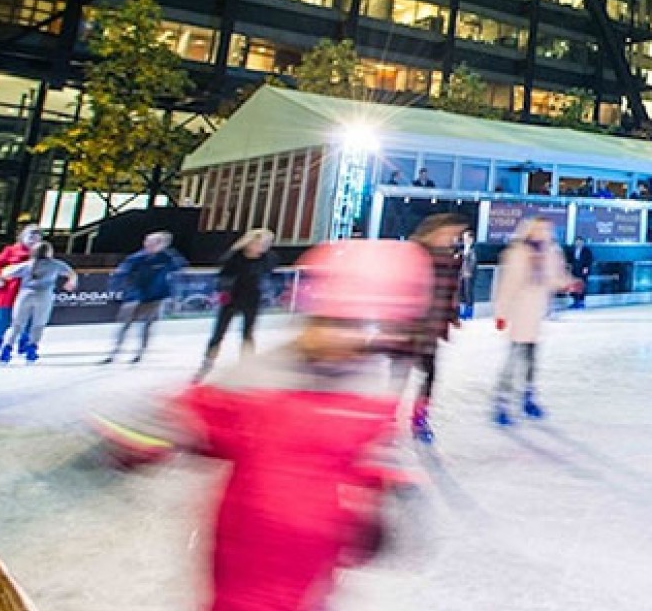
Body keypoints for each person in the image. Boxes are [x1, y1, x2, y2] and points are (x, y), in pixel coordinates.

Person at [94, 238, 434, 611]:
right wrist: (144, 440)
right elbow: (192, 416)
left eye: (370, 332)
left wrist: (383, 498)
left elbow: (372, 455)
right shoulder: (261, 382)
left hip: (315, 560)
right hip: (248, 557)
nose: (350, 339)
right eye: (337, 323)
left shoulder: (368, 394)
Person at [398, 213, 471, 443]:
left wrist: (452, 315)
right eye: (450, 233)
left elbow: (450, 292)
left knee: (429, 375)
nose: (453, 238)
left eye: (456, 234)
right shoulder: (415, 254)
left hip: (432, 326)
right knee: (399, 375)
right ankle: (387, 414)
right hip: (409, 326)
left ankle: (419, 417)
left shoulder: (451, 258)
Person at [491, 219, 572, 424]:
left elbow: (554, 278)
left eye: (547, 230)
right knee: (513, 358)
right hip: (519, 312)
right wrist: (501, 313)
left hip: (536, 313)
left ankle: (527, 398)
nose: (544, 233)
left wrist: (568, 283)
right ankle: (502, 401)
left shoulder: (551, 253)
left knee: (531, 358)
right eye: (540, 229)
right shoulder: (517, 253)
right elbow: (507, 284)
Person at [198, 229, 277, 381]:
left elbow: (269, 274)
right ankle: (207, 362)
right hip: (231, 299)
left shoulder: (268, 258)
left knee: (247, 334)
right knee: (219, 333)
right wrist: (223, 291)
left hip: (252, 300)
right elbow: (223, 276)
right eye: (260, 243)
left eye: (266, 244)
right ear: (250, 242)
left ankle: (246, 366)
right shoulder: (235, 257)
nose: (262, 247)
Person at [104, 231, 185, 365]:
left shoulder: (166, 257)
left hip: (155, 297)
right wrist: (116, 289)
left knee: (147, 326)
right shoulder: (136, 258)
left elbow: (179, 266)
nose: (148, 244)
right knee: (125, 325)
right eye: (147, 241)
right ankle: (114, 353)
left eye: (153, 242)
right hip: (135, 297)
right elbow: (121, 272)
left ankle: (140, 353)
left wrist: (167, 252)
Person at [5, 240, 76, 364]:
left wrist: (7, 273)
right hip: (44, 296)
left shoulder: (27, 265)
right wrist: (70, 283)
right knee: (38, 324)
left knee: (17, 324)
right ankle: (32, 350)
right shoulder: (55, 264)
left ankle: (7, 349)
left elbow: (7, 273)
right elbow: (71, 273)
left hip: (25, 295)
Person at [0, 223, 41, 360]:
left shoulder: (42, 253)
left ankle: (25, 342)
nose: (33, 241)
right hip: (9, 291)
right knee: (3, 319)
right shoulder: (11, 250)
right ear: (22, 237)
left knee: (28, 319)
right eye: (30, 237)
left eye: (36, 238)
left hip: (30, 292)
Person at [566, 239, 594, 309]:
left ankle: (581, 302)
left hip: (582, 271)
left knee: (582, 286)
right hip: (574, 271)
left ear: (583, 243)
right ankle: (575, 302)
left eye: (580, 242)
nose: (578, 243)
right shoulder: (572, 250)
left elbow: (590, 260)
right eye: (577, 242)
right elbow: (569, 260)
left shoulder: (587, 251)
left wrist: (586, 267)